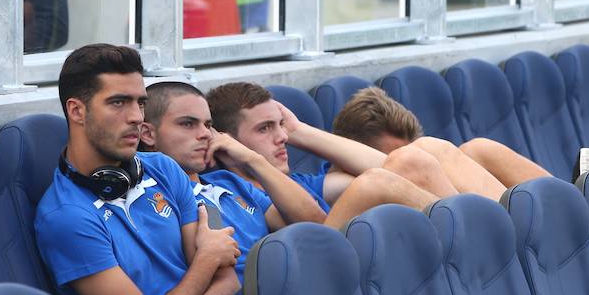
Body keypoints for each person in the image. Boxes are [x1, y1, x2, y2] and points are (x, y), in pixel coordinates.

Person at [35, 44, 242, 295]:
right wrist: (205, 261)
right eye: (118, 102)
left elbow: (228, 276)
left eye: (140, 103)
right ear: (77, 111)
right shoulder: (66, 217)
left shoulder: (164, 166)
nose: (136, 117)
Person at [206, 82, 519, 229]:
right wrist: (254, 161)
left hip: (343, 256)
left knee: (452, 149)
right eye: (264, 129)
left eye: (281, 126)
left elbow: (391, 166)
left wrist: (301, 130)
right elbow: (387, 174)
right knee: (381, 179)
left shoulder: (302, 182)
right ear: (228, 142)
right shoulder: (221, 189)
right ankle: (489, 230)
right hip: (317, 266)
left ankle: (514, 226)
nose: (282, 137)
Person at [139, 81, 326, 281]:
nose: (204, 134)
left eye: (208, 125)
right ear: (148, 134)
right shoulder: (155, 199)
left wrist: (252, 159)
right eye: (187, 124)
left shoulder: (228, 181)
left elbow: (316, 228)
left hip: (284, 289)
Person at [332, 86, 552, 188]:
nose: (406, 165)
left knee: (477, 149)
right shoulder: (335, 186)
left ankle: (572, 203)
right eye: (390, 159)